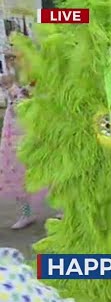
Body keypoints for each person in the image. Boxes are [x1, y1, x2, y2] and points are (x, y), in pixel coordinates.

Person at [0, 70, 47, 229]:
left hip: (34, 135)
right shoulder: (13, 88)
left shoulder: (31, 85)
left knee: (49, 172)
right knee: (19, 177)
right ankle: (27, 213)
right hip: (15, 138)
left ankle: (65, 209)